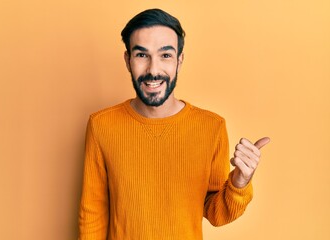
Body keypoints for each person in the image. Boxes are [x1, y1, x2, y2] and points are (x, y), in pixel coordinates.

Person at [79, 8, 270, 240]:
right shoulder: (102, 125)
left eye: (165, 55)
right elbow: (92, 215)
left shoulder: (212, 127)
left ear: (180, 60)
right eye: (141, 55)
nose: (153, 70)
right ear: (128, 60)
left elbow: (216, 214)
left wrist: (240, 182)